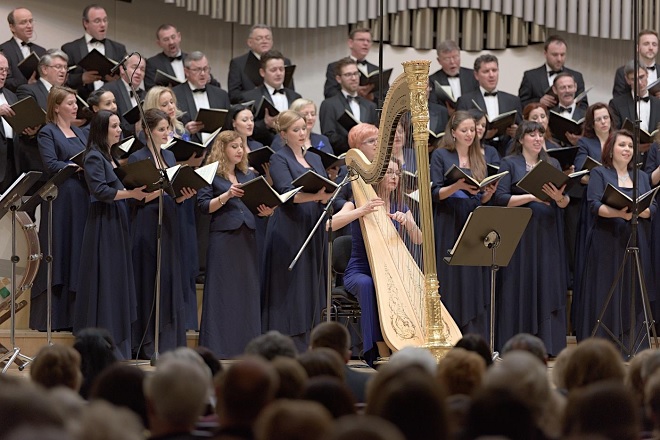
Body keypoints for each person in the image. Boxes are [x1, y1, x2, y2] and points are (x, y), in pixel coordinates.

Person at [329, 128, 423, 365]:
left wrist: (410, 223)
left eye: (397, 173)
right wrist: (362, 211)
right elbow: (331, 224)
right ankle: (378, 351)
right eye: (389, 172)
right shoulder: (358, 202)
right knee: (368, 283)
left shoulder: (402, 205)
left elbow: (420, 240)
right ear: (377, 175)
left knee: (415, 284)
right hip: (358, 271)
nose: (394, 177)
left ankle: (409, 343)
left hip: (392, 272)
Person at [74, 110, 148, 360]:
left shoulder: (110, 156)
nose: (119, 131)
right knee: (106, 279)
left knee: (115, 278)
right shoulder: (94, 156)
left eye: (119, 126)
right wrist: (132, 194)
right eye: (114, 126)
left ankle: (117, 342)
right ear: (102, 129)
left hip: (115, 220)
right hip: (103, 222)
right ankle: (104, 343)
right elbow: (101, 191)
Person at [492, 120, 569, 356]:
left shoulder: (552, 163)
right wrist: (531, 198)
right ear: (521, 139)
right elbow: (501, 199)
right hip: (520, 234)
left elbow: (564, 203)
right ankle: (517, 343)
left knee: (546, 283)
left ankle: (548, 344)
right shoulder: (509, 163)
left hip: (546, 232)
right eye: (532, 135)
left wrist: (558, 197)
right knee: (520, 282)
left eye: (540, 135)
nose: (537, 139)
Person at [573, 129, 656, 343]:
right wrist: (620, 213)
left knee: (633, 290)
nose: (627, 149)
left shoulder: (642, 177)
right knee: (606, 290)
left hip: (636, 239)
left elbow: (652, 207)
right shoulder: (600, 174)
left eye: (630, 146)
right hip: (607, 240)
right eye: (622, 145)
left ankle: (633, 343)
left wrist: (636, 212)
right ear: (610, 149)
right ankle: (604, 343)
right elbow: (594, 205)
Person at [197, 130, 273, 358]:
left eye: (241, 146)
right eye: (234, 146)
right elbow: (203, 206)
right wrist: (226, 196)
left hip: (248, 236)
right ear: (222, 149)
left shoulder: (248, 175)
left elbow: (256, 204)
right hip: (224, 237)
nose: (240, 150)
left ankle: (246, 347)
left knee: (246, 292)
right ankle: (218, 347)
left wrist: (267, 210)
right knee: (222, 292)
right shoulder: (209, 174)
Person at [261, 110, 332, 351]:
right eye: (296, 130)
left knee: (312, 278)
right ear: (283, 134)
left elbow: (324, 188)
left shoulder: (315, 158)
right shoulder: (279, 158)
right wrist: (317, 195)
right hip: (290, 225)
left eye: (304, 128)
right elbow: (285, 194)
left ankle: (314, 335)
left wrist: (326, 196)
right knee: (293, 282)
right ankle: (292, 339)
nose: (302, 133)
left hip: (313, 222)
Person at [128, 108, 194, 358]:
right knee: (147, 280)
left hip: (168, 222)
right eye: (162, 129)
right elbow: (137, 197)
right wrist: (162, 191)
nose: (167, 133)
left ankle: (168, 343)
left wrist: (181, 195)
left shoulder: (170, 156)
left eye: (168, 128)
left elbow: (174, 193)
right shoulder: (137, 158)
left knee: (167, 279)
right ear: (147, 131)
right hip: (146, 223)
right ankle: (146, 343)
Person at [430, 111, 497, 340]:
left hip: (471, 218)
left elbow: (479, 198)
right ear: (453, 132)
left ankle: (472, 335)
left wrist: (488, 193)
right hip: (448, 218)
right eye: (465, 130)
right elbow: (435, 193)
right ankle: (448, 333)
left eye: (472, 130)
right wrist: (457, 185)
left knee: (471, 278)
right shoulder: (441, 155)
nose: (470, 134)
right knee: (450, 276)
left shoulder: (479, 157)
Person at [142, 86, 202, 330]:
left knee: (181, 259)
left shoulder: (174, 145)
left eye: (172, 102)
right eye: (165, 103)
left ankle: (179, 320)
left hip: (174, 206)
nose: (171, 107)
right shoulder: (145, 149)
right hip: (152, 214)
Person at [30, 86, 89, 331]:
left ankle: (75, 317)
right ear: (56, 106)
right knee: (60, 250)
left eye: (76, 103)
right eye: (70, 103)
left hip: (82, 197)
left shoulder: (80, 132)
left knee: (77, 252)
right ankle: (52, 318)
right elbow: (51, 164)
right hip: (62, 197)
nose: (75, 107)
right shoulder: (48, 132)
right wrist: (76, 166)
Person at [15, 49, 68, 185]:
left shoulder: (67, 94)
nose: (63, 71)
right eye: (58, 67)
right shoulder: (28, 89)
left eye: (65, 67)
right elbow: (27, 119)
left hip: (61, 159)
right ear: (44, 69)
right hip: (36, 157)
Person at [455, 54, 522, 156]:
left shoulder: (513, 100)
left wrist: (517, 132)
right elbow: (458, 129)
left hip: (508, 151)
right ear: (476, 75)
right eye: (486, 71)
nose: (491, 75)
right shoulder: (465, 100)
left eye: (494, 70)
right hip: (476, 152)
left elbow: (522, 129)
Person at [61, 4, 126, 100]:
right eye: (97, 21)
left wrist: (117, 80)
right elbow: (62, 79)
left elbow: (128, 79)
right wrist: (82, 78)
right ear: (85, 23)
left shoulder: (119, 49)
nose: (103, 24)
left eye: (105, 20)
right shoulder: (70, 49)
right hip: (81, 105)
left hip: (112, 104)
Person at [240, 50, 302, 146]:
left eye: (281, 69)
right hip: (265, 149)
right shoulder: (249, 97)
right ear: (262, 72)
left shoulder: (296, 97)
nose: (279, 73)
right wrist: (265, 124)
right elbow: (243, 131)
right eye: (273, 70)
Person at [320, 57, 379, 155]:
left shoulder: (370, 106)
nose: (354, 78)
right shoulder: (329, 104)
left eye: (356, 73)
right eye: (348, 75)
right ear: (339, 79)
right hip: (343, 159)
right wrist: (356, 144)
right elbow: (329, 136)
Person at [172, 51, 230, 144]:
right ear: (186, 71)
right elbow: (168, 133)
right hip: (189, 152)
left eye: (205, 69)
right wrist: (185, 132)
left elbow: (228, 128)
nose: (203, 73)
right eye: (197, 70)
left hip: (217, 151)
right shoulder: (175, 95)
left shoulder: (221, 95)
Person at [227, 24, 294, 104]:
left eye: (267, 38)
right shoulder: (238, 63)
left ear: (272, 41)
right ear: (250, 42)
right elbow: (234, 95)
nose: (264, 41)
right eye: (259, 38)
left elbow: (290, 91)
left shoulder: (284, 61)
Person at [518, 34, 587, 110]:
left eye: (562, 55)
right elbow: (520, 104)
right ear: (545, 53)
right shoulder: (531, 76)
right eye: (555, 55)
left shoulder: (577, 76)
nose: (559, 59)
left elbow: (584, 107)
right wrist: (539, 102)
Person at [323, 28, 389, 105]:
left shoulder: (378, 71)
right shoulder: (334, 67)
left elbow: (386, 98)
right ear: (350, 43)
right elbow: (329, 93)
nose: (365, 43)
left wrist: (372, 97)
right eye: (361, 40)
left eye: (368, 41)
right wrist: (352, 92)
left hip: (369, 114)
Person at [0, 7, 47, 92]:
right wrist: (27, 83)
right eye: (23, 22)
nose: (29, 26)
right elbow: (5, 80)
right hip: (15, 98)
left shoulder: (41, 51)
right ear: (12, 27)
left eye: (31, 21)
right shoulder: (3, 50)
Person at [609, 60, 660, 134]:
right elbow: (614, 133)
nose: (639, 82)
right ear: (627, 80)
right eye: (634, 79)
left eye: (641, 77)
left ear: (647, 74)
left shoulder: (658, 103)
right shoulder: (616, 104)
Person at [102, 53, 146, 137]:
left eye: (142, 69)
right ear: (122, 69)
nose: (139, 72)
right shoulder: (109, 90)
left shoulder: (146, 95)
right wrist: (135, 128)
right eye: (134, 67)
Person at [429, 40, 479, 111]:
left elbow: (480, 101)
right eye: (447, 59)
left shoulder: (473, 76)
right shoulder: (433, 80)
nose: (452, 62)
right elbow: (433, 106)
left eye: (455, 57)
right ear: (439, 61)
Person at [613, 30, 660, 97]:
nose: (651, 48)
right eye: (646, 44)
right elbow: (618, 103)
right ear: (637, 48)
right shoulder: (622, 72)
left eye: (654, 44)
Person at [0, 52, 21, 193]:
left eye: (6, 70)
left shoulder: (11, 95)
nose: (3, 74)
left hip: (11, 160)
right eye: (0, 69)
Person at [550, 72, 586, 146]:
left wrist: (581, 141)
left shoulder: (586, 116)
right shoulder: (548, 114)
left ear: (575, 87)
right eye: (562, 87)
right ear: (555, 90)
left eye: (570, 87)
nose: (567, 91)